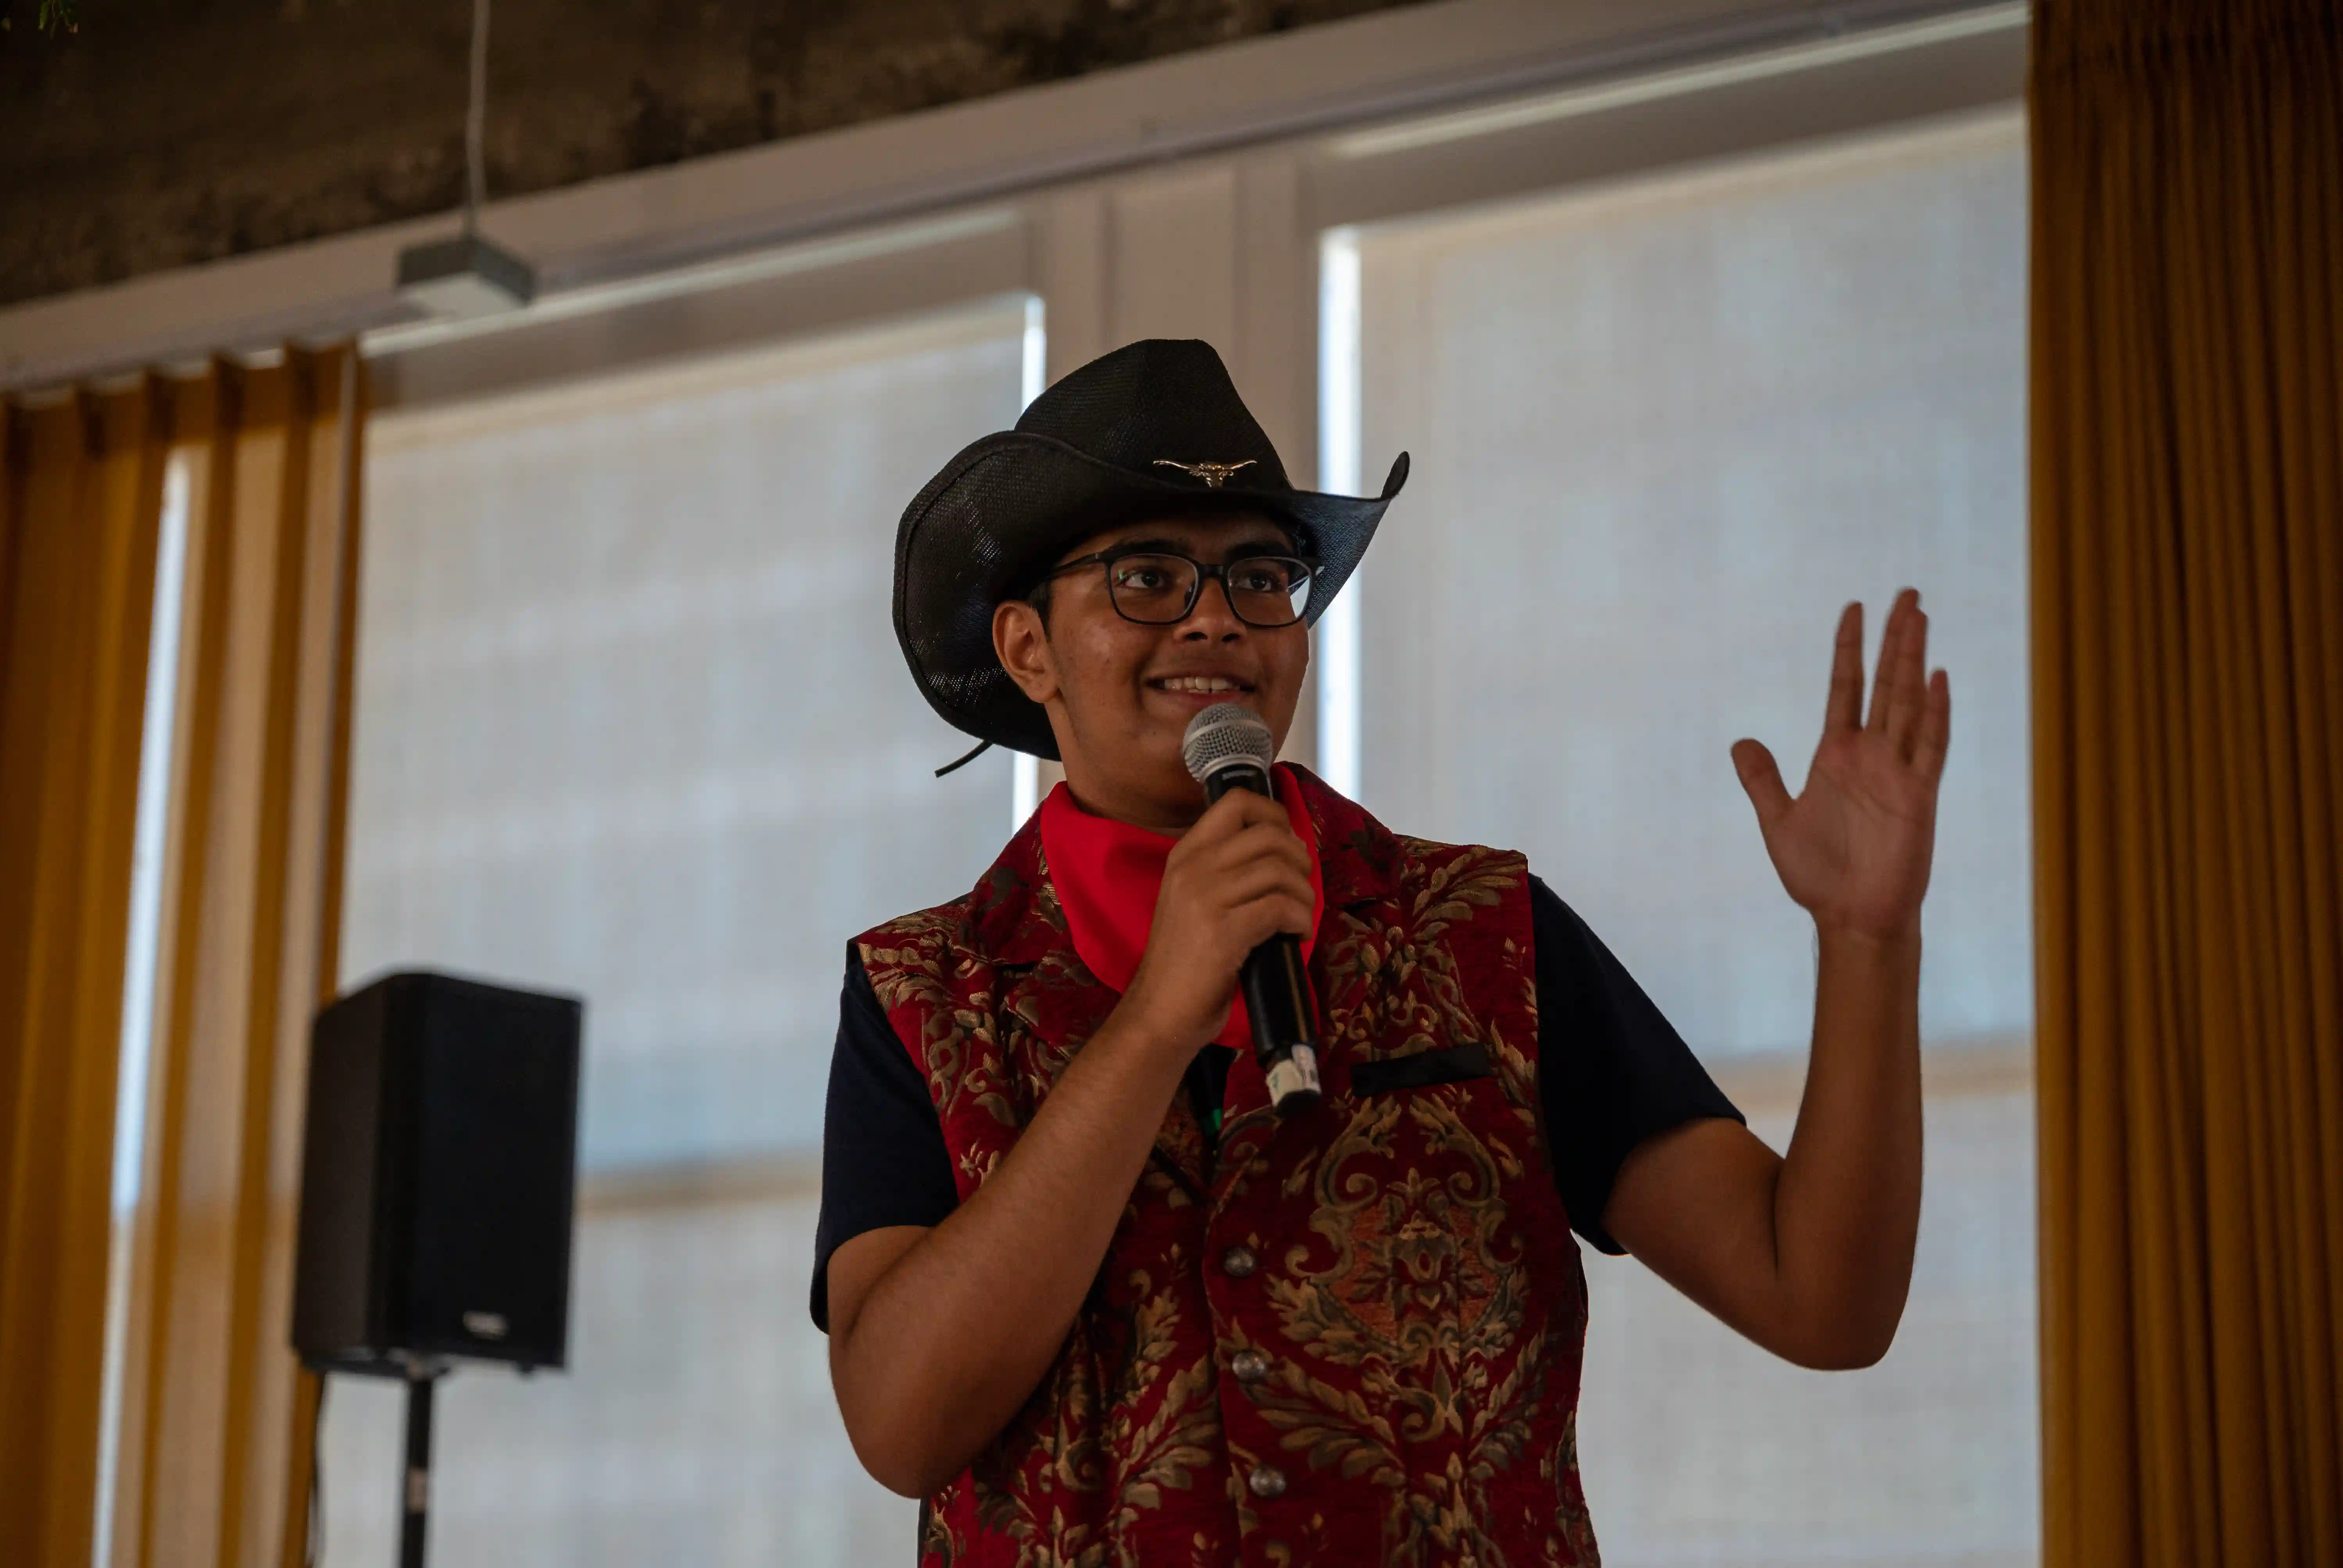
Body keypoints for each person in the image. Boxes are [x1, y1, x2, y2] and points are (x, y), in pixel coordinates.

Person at [812, 339, 1950, 1566]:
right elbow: (900, 1426)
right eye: (1148, 575)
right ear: (1030, 648)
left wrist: (1866, 940)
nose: (1215, 617)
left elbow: (1822, 1301)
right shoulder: (923, 990)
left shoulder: (1485, 928)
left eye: (1261, 576)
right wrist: (1155, 1022)